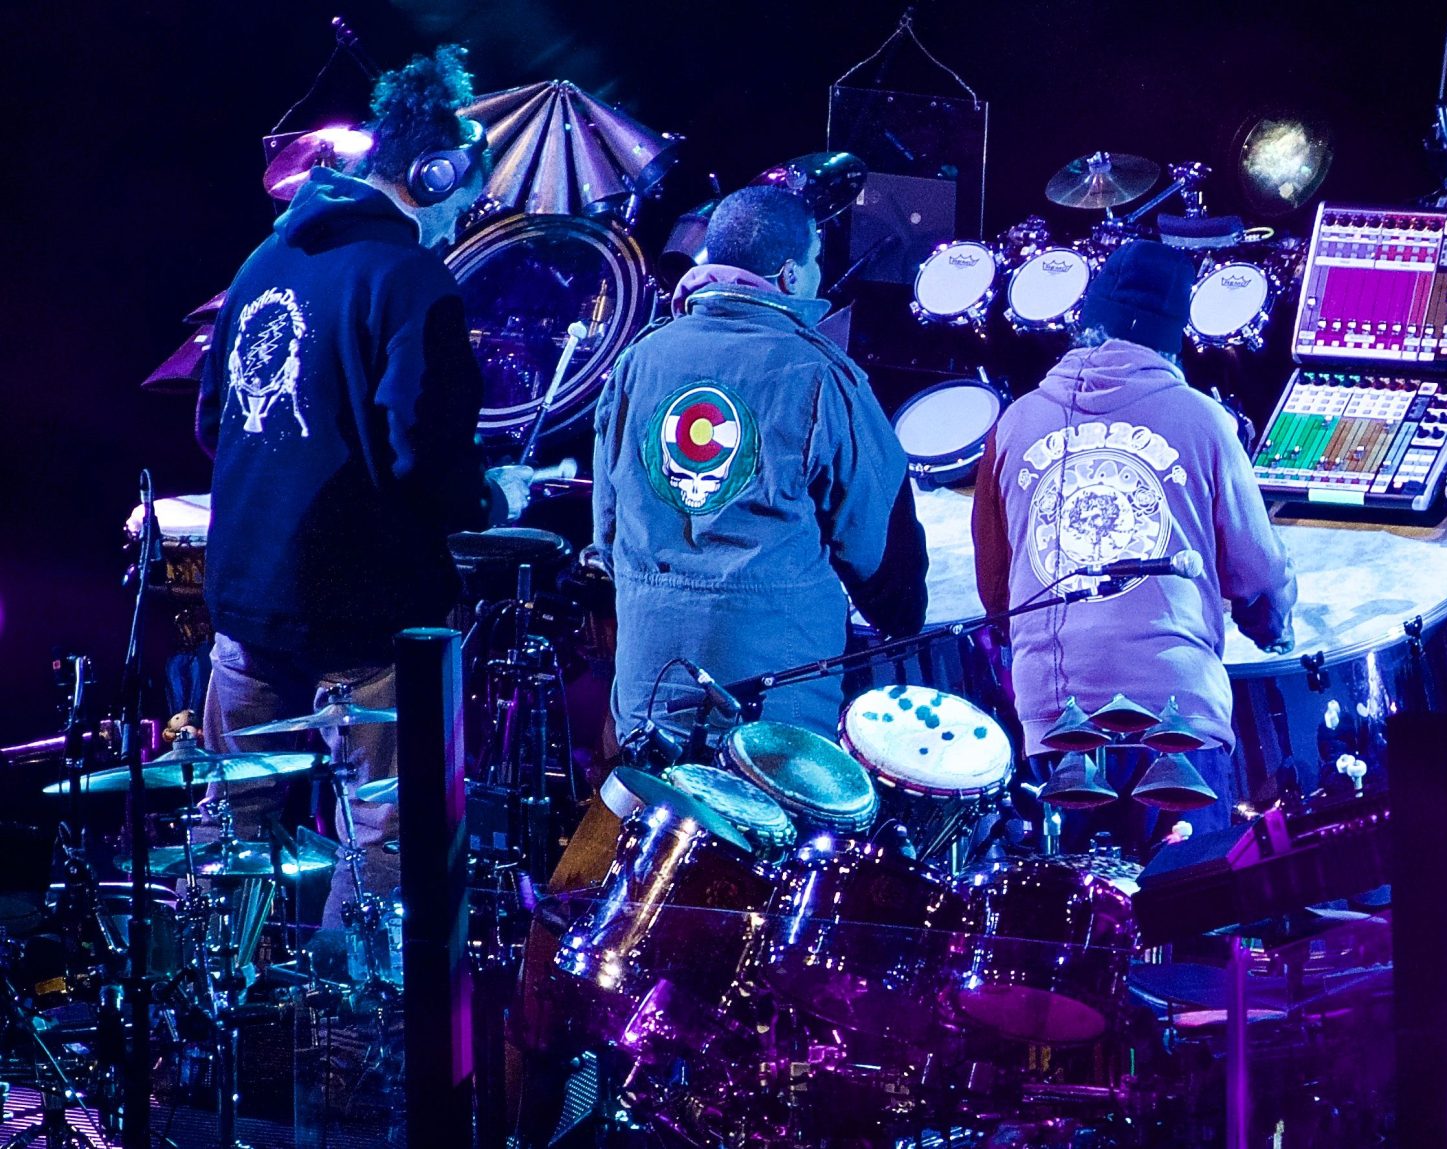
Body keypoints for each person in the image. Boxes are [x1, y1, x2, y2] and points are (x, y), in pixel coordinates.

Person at [194, 47, 522, 921]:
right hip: (362, 617)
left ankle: (217, 1004)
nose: (459, 221)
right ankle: (351, 1011)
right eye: (461, 199)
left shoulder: (263, 260)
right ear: (433, 173)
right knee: (384, 833)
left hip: (245, 599)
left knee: (231, 824)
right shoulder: (413, 279)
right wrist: (492, 497)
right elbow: (422, 455)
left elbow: (211, 421)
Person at [972, 240, 1295, 853]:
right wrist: (1273, 623)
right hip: (1176, 710)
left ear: (1083, 323)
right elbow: (1257, 574)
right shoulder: (1204, 419)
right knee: (1187, 896)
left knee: (1075, 902)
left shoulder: (1015, 422)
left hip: (1056, 720)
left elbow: (997, 595)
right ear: (1174, 339)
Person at [591, 185, 927, 744]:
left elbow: (607, 527)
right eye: (815, 259)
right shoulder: (818, 373)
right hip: (774, 695)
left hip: (649, 681)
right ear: (790, 275)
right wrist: (900, 616)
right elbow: (876, 537)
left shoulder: (637, 361)